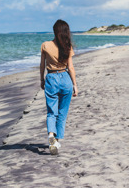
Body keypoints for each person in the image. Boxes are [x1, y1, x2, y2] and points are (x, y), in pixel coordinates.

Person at [40, 19, 79, 155]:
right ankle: (56, 140)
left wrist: (41, 79)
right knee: (62, 112)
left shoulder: (45, 45)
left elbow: (42, 65)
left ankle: (51, 135)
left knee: (52, 111)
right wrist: (75, 84)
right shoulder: (67, 47)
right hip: (65, 78)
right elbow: (71, 67)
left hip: (51, 77)